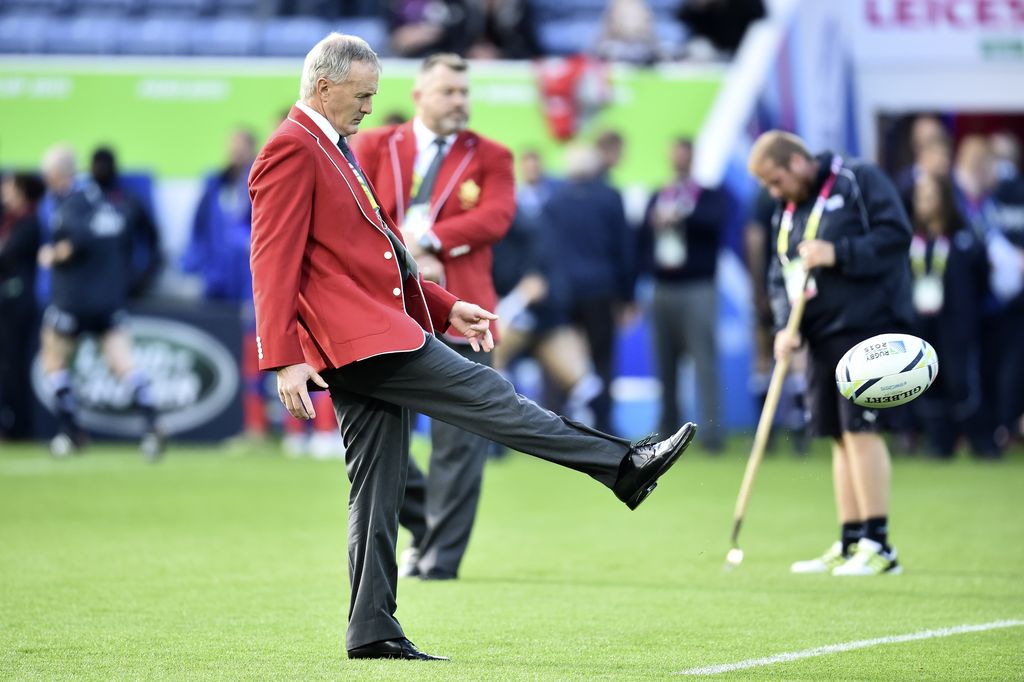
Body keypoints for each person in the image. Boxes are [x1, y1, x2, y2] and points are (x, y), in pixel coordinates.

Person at [249, 33, 696, 661]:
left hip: (373, 334)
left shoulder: (334, 147)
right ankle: (622, 465)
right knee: (493, 398)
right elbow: (272, 259)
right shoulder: (292, 149)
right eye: (363, 94)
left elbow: (378, 259)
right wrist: (283, 358)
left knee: (376, 490)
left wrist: (445, 305)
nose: (371, 107)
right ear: (324, 86)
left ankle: (372, 629)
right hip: (365, 343)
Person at [349, 52, 516, 580]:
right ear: (421, 95)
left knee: (460, 441)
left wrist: (434, 238)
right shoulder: (377, 144)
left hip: (463, 309)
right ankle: (426, 526)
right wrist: (405, 251)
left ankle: (442, 559)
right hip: (388, 311)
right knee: (379, 442)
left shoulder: (491, 155)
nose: (459, 102)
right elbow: (358, 210)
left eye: (465, 93)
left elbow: (496, 216)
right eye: (448, 92)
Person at [749, 130, 913, 576]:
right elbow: (778, 275)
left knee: (860, 430)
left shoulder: (857, 179)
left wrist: (836, 252)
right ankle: (851, 538)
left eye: (775, 180)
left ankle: (880, 547)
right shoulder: (787, 210)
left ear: (797, 163)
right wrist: (785, 327)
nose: (773, 191)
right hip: (820, 334)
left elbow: (896, 236)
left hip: (867, 327)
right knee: (839, 436)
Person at [37, 145, 163, 460]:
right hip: (109, 299)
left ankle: (69, 431)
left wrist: (52, 255)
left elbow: (77, 241)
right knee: (123, 362)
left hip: (74, 299)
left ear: (58, 174)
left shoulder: (71, 202)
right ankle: (151, 425)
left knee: (53, 358)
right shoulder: (109, 200)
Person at [637, 138, 727, 451]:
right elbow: (641, 240)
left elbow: (716, 224)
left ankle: (712, 433)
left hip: (697, 287)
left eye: (683, 156)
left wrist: (683, 216)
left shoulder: (708, 196)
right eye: (674, 155)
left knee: (704, 361)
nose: (678, 161)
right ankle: (666, 432)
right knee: (664, 362)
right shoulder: (658, 195)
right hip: (662, 287)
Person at [540, 143, 635, 434]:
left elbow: (545, 251)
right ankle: (605, 423)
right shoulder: (610, 197)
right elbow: (624, 249)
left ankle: (555, 424)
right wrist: (627, 296)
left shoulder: (554, 200)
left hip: (563, 292)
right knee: (602, 358)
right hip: (601, 290)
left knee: (560, 356)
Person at [907, 172, 991, 457]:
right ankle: (939, 443)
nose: (924, 203)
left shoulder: (963, 239)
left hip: (957, 325)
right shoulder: (913, 242)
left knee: (961, 381)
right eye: (920, 197)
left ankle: (980, 442)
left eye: (930, 197)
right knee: (928, 381)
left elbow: (982, 278)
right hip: (923, 324)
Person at [0, 172, 45, 440]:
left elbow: (7, 256)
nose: (4, 193)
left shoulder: (29, 222)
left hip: (18, 303)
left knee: (14, 364)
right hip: (9, 300)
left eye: (9, 188)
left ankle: (19, 426)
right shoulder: (10, 221)